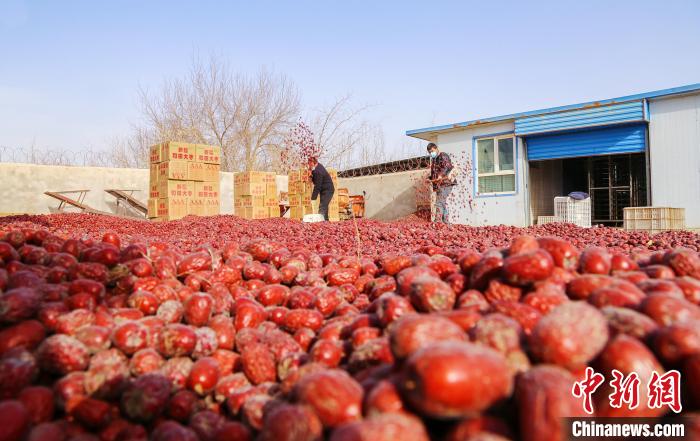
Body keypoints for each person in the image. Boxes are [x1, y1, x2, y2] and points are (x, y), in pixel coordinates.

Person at [427, 142, 455, 223]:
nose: (431, 153)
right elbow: (434, 174)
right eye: (429, 152)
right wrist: (429, 178)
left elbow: (446, 166)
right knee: (442, 202)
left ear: (436, 148)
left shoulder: (443, 155)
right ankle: (446, 222)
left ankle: (437, 222)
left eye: (432, 151)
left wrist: (441, 175)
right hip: (439, 184)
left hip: (446, 183)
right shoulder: (434, 160)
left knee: (439, 202)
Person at [308, 157, 335, 221]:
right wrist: (311, 175)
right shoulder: (318, 167)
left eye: (309, 164)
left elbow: (317, 186)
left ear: (312, 163)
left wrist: (313, 198)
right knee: (324, 207)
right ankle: (325, 222)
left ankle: (320, 223)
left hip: (328, 190)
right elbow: (316, 180)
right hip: (324, 190)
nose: (308, 165)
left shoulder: (318, 171)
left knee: (322, 207)